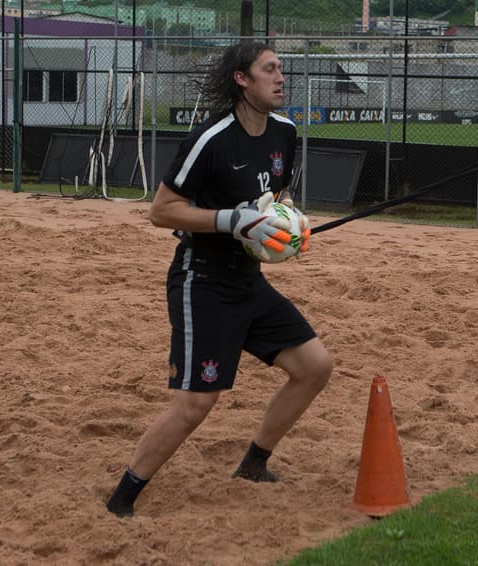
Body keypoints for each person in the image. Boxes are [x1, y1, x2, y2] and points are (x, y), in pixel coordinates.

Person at [105, 42, 333, 518]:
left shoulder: (285, 133)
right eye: (269, 70)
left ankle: (253, 463)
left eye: (281, 69)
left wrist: (290, 226)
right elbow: (161, 211)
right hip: (202, 280)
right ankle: (122, 498)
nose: (281, 77)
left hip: (249, 280)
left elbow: (278, 194)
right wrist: (233, 221)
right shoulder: (211, 139)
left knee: (314, 367)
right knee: (196, 403)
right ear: (242, 80)